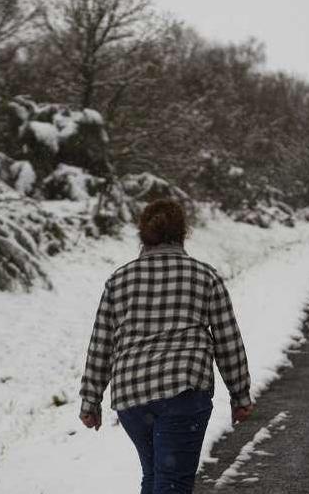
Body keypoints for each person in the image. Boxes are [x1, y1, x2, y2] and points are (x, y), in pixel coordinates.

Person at [78, 198, 254, 494]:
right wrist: (240, 394)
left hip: (132, 397)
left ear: (143, 234)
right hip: (183, 392)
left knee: (156, 477)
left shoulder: (118, 281)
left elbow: (101, 344)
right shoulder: (204, 276)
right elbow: (227, 339)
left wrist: (90, 400)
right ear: (183, 233)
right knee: (172, 483)